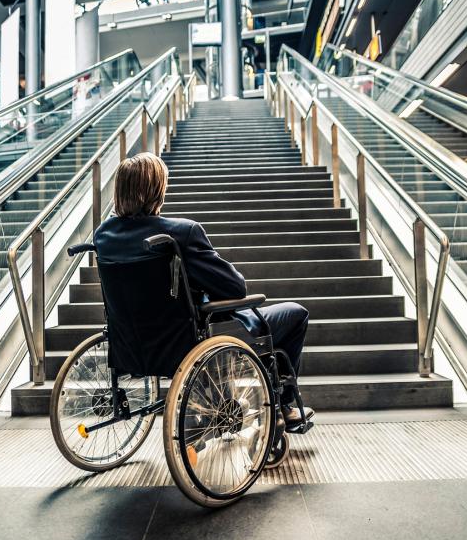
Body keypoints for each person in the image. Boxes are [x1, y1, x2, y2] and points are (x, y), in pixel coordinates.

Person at [93, 153, 314, 426]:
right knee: (296, 314)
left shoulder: (103, 236)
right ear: (156, 192)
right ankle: (283, 406)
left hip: (131, 344)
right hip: (185, 341)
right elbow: (234, 287)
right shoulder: (180, 233)